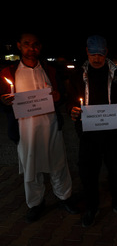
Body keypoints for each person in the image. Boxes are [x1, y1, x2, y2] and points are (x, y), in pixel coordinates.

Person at [0, 32, 78, 223]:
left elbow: (61, 97)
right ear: (19, 45)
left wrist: (59, 98)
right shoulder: (8, 73)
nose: (31, 48)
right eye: (27, 44)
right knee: (31, 168)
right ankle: (35, 204)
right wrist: (4, 102)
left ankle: (64, 197)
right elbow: (3, 102)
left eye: (35, 45)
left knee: (58, 164)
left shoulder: (49, 70)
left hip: (51, 126)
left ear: (40, 47)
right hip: (25, 130)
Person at [68, 35, 117, 227]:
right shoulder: (78, 74)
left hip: (113, 133)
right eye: (93, 54)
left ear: (106, 53)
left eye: (101, 54)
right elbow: (71, 99)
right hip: (88, 134)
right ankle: (92, 206)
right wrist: (72, 110)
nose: (97, 58)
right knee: (88, 171)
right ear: (87, 52)